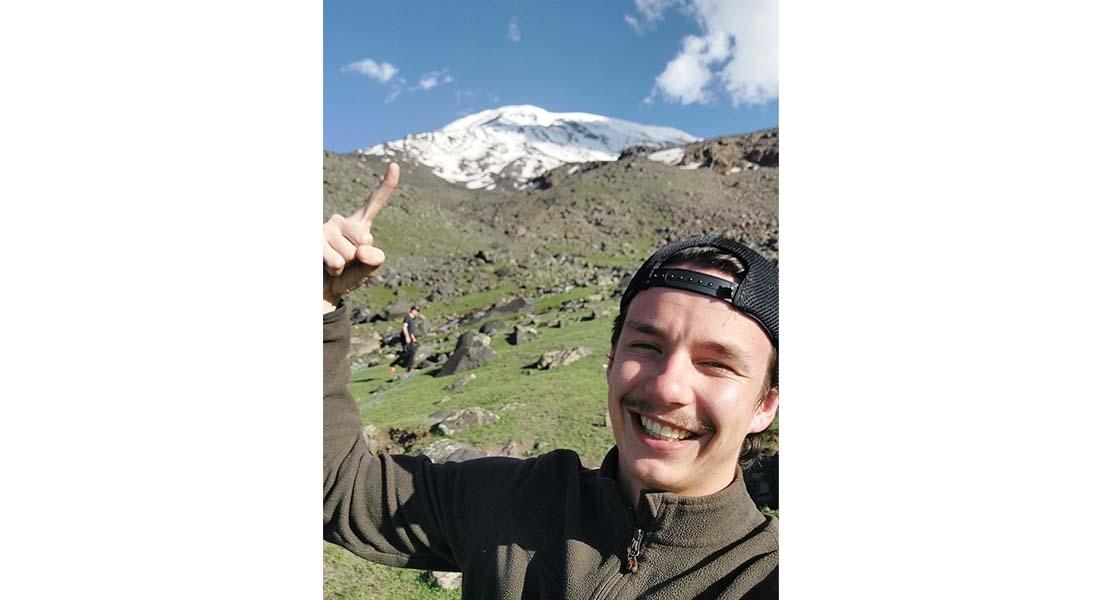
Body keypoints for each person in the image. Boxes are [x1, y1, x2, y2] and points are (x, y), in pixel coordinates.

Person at [323, 163, 779, 598]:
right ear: (610, 360)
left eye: (717, 364)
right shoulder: (513, 497)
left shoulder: (765, 575)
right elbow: (339, 487)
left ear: (765, 404)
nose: (667, 387)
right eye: (647, 347)